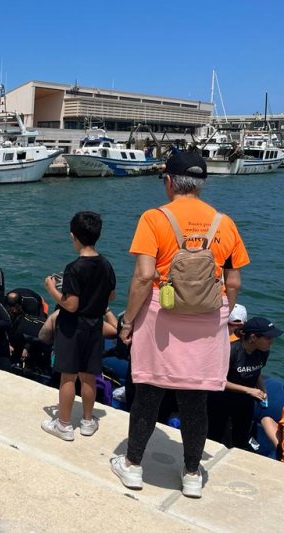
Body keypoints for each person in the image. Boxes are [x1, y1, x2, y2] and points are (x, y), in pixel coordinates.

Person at [112, 151, 250, 499]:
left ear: (169, 182)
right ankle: (190, 474)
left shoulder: (154, 218)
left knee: (148, 393)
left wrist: (127, 321)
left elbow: (144, 277)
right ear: (202, 184)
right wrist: (220, 316)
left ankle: (132, 465)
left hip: (162, 315)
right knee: (195, 399)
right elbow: (233, 282)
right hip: (208, 319)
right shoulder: (225, 223)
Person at [41, 211, 115, 442]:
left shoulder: (74, 268)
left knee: (68, 377)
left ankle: (64, 424)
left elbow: (71, 305)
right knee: (89, 376)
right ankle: (87, 421)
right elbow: (111, 296)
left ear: (74, 236)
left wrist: (51, 289)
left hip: (73, 328)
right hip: (95, 326)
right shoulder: (106, 264)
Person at [207, 316, 281, 450]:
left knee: (241, 439)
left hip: (245, 401)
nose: (271, 342)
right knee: (215, 437)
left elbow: (256, 371)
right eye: (268, 338)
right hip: (221, 400)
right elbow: (218, 381)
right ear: (253, 337)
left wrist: (262, 388)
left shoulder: (263, 353)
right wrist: (249, 390)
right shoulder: (231, 351)